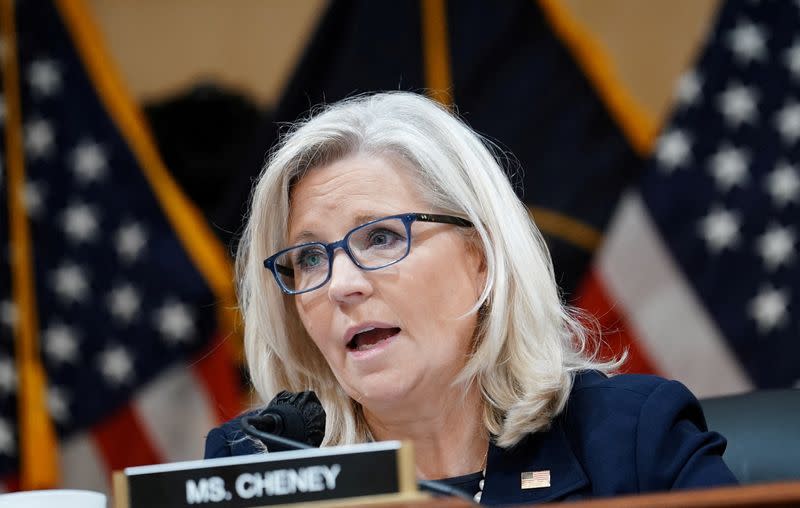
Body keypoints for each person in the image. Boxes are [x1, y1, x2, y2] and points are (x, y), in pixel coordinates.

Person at [204, 92, 737, 504]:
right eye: (311, 257)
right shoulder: (252, 468)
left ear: (480, 255)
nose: (341, 284)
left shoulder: (633, 443)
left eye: (382, 238)